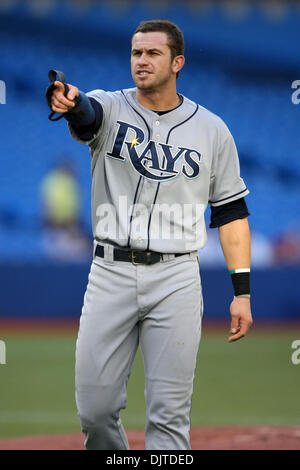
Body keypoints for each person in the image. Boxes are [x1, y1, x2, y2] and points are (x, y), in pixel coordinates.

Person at [47, 19, 253, 450]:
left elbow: (231, 212)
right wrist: (72, 101)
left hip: (176, 276)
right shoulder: (110, 105)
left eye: (153, 53)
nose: (141, 61)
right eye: (136, 53)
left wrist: (242, 291)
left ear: (177, 62)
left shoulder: (212, 130)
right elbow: (88, 115)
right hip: (110, 272)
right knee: (95, 412)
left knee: (168, 419)